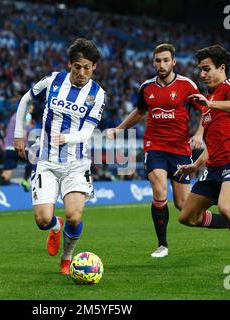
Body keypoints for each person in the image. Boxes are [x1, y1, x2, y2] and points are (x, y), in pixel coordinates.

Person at [13, 38, 105, 275]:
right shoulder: (53, 80)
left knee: (74, 215)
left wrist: (68, 138)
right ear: (70, 65)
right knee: (43, 220)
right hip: (46, 161)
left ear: (94, 66)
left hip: (76, 163)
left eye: (87, 67)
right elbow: (25, 99)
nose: (82, 72)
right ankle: (55, 227)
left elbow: (87, 131)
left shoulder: (98, 94)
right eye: (77, 67)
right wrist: (18, 134)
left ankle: (67, 258)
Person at [107, 43, 204, 258]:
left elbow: (206, 110)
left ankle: (227, 219)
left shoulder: (187, 85)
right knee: (159, 188)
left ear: (174, 62)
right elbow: (139, 112)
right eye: (158, 61)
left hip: (179, 150)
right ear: (153, 62)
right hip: (155, 147)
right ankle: (162, 245)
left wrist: (199, 135)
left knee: (183, 205)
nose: (162, 64)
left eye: (166, 60)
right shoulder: (146, 88)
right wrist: (118, 129)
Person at [175, 45, 230, 279]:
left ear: (221, 68)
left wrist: (209, 104)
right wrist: (196, 165)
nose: (202, 74)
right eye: (200, 70)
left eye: (206, 69)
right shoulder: (208, 101)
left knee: (225, 206)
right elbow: (212, 144)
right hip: (213, 168)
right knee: (187, 217)